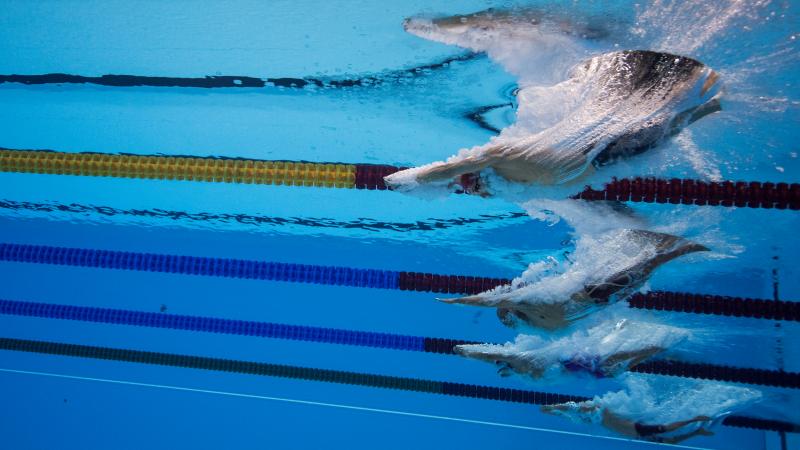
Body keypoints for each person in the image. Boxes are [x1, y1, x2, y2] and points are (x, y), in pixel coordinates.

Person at [384, 47, 721, 196]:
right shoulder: (527, 189)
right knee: (667, 129)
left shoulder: (500, 157)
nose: (477, 192)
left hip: (594, 143)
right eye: (472, 191)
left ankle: (687, 83)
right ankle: (711, 102)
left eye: (471, 185)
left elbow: (451, 168)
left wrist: (413, 178)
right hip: (604, 156)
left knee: (657, 117)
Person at [440, 229, 708, 330]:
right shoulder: (541, 326)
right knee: (647, 268)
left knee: (651, 264)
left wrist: (461, 301)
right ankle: (675, 244)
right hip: (600, 300)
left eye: (504, 317)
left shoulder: (529, 304)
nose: (508, 321)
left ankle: (685, 245)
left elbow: (493, 300)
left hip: (595, 293)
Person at [540, 376, 762, 443]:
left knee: (665, 431)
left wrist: (552, 407)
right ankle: (697, 421)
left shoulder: (593, 412)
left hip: (632, 426)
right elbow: (570, 409)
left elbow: (570, 408)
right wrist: (553, 408)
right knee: (666, 433)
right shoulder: (593, 415)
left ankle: (696, 415)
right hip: (635, 428)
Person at [454, 319, 689, 379]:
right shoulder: (526, 368)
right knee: (624, 353)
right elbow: (494, 356)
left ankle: (663, 346)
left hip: (587, 366)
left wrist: (466, 351)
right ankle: (662, 345)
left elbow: (493, 355)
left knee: (625, 354)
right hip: (585, 365)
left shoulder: (522, 361)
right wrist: (464, 351)